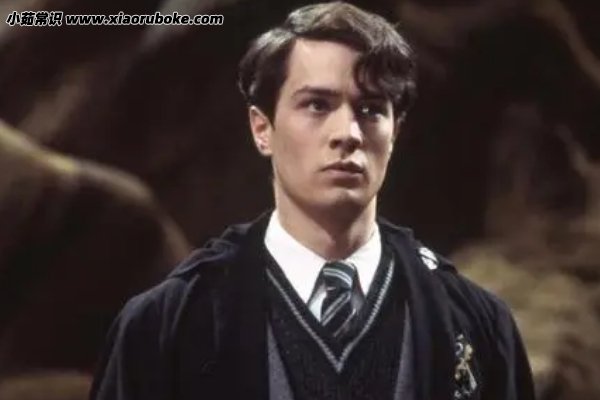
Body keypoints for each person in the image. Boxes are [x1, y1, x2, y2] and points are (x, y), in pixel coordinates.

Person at [90, 2, 536, 399]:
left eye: (371, 109)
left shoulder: (476, 323)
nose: (348, 133)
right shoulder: (165, 326)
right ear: (262, 129)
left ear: (395, 131)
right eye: (318, 105)